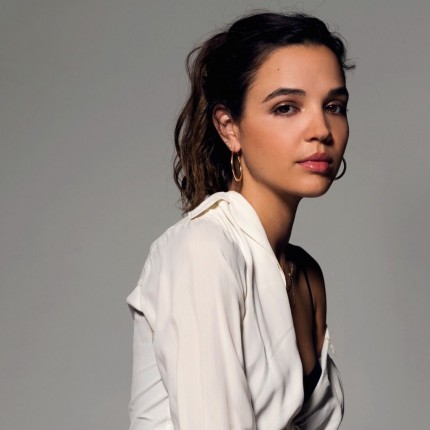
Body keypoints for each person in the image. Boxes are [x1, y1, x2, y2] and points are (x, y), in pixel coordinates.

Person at [127, 11, 354, 430]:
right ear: (229, 128)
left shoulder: (305, 275)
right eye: (286, 107)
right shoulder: (203, 250)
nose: (321, 129)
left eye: (333, 106)